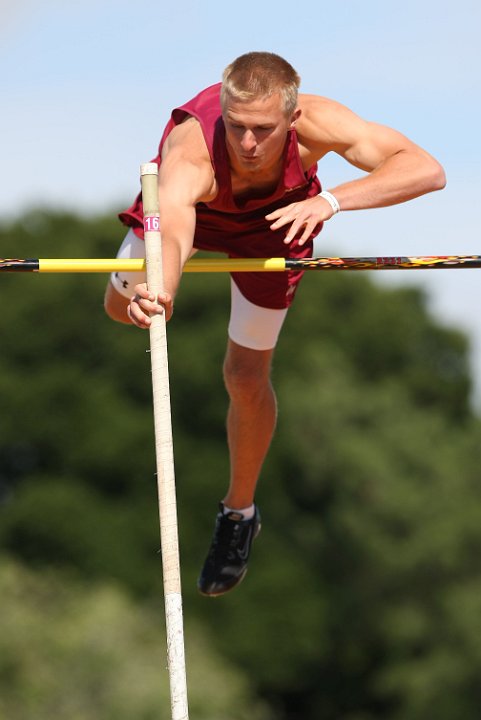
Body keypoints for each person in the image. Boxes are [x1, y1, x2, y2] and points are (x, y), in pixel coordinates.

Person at [104, 51, 445, 597]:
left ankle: (238, 514)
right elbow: (174, 232)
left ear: (293, 118)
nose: (246, 144)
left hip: (274, 227)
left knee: (244, 375)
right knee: (121, 310)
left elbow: (426, 169)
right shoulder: (191, 151)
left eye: (262, 130)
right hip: (189, 213)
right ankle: (141, 296)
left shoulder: (322, 121)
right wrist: (161, 291)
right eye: (236, 127)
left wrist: (331, 201)